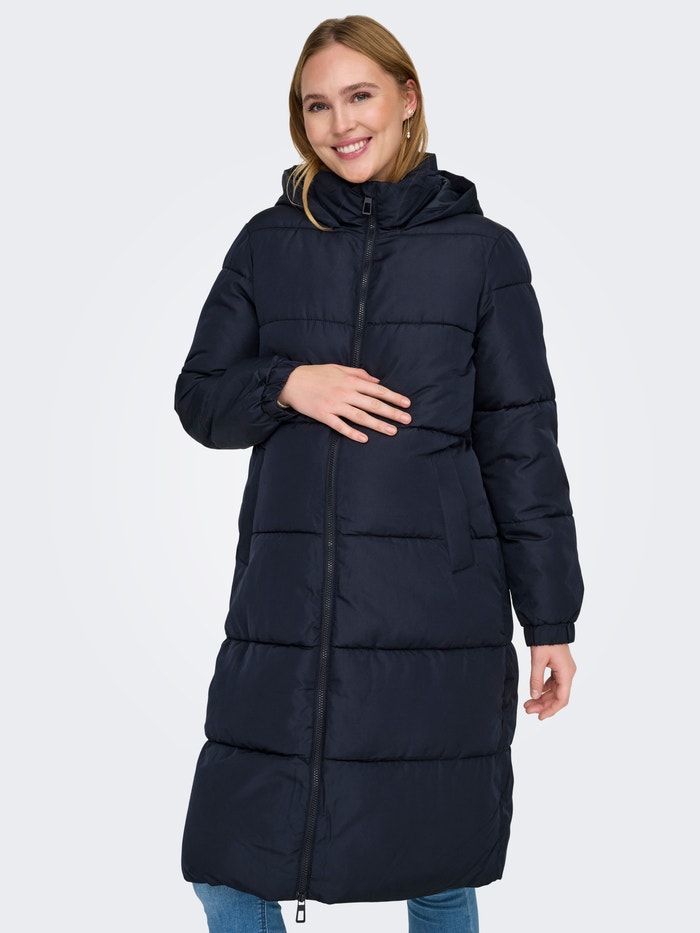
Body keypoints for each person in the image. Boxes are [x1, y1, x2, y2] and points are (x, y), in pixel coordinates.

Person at [174, 14, 584, 933]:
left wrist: (551, 619)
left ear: (407, 99)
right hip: (287, 613)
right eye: (317, 105)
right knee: (230, 865)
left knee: (436, 865)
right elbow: (199, 399)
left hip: (434, 612)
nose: (339, 123)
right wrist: (287, 382)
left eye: (359, 95)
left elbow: (521, 443)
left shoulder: (483, 254)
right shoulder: (267, 243)